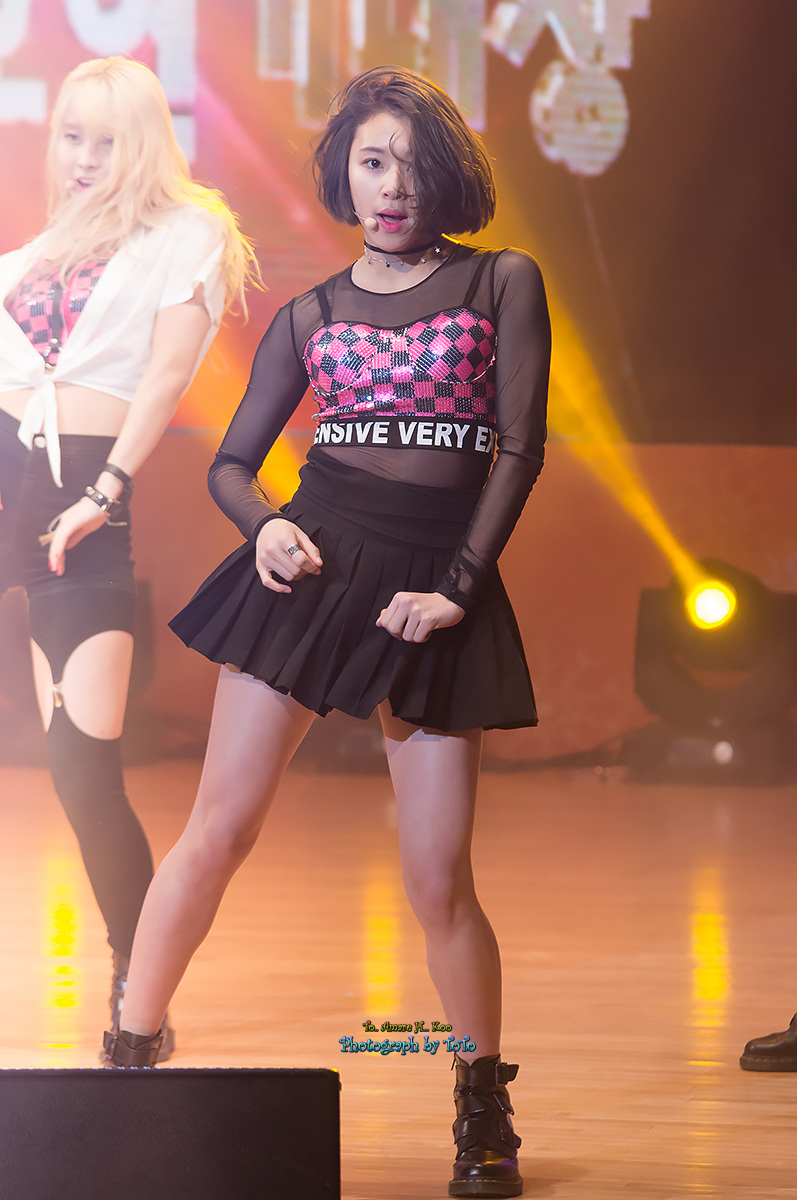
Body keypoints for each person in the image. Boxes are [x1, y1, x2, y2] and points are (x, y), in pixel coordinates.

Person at [105, 65, 550, 1199]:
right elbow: (231, 465)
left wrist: (458, 588)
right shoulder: (309, 314)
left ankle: (481, 1106)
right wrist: (264, 528)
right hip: (312, 571)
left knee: (438, 879)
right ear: (343, 178)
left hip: (434, 591)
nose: (391, 185)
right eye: (370, 162)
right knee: (218, 830)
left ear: (444, 175)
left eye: (410, 163)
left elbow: (517, 449)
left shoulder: (501, 280)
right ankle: (127, 1056)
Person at [0, 57, 255, 1058]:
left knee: (80, 767)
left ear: (145, 143)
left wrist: (105, 492)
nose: (84, 157)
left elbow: (165, 378)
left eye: (107, 140)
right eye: (72, 135)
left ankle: (134, 976)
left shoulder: (186, 236)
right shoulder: (25, 257)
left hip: (80, 507)